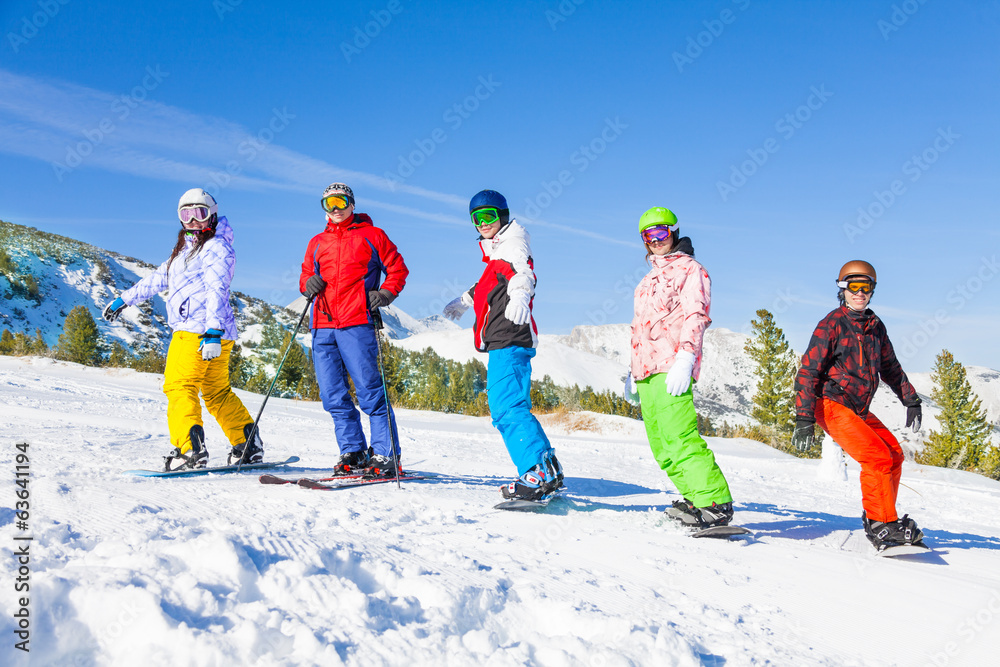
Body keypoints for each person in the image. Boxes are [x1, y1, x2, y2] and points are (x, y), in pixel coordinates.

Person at [102, 188, 264, 470]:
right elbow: (156, 279)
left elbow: (218, 290)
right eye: (185, 214)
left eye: (199, 213)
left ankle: (189, 450)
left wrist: (212, 331)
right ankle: (246, 445)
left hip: (198, 331)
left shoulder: (216, 248)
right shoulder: (186, 251)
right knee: (216, 392)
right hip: (213, 332)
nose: (192, 220)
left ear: (211, 215)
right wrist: (124, 299)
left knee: (179, 385)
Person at [792, 260, 924, 551]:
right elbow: (808, 371)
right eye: (854, 286)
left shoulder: (875, 326)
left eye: (867, 287)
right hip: (831, 403)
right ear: (843, 289)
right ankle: (882, 525)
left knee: (893, 454)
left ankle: (881, 514)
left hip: (857, 407)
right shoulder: (832, 324)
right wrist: (803, 417)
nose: (860, 293)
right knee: (877, 457)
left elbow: (889, 367)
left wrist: (910, 398)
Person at [442, 189, 563, 501]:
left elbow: (523, 272)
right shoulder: (497, 253)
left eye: (489, 216)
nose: (483, 223)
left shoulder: (513, 244)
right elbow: (489, 282)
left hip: (509, 337)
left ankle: (536, 471)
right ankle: (545, 468)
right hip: (504, 339)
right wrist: (466, 300)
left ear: (503, 216)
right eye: (477, 218)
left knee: (506, 407)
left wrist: (522, 293)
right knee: (511, 406)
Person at [628, 207, 734, 528]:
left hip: (671, 366)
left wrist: (686, 358)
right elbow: (639, 326)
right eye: (649, 236)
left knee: (680, 437)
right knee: (661, 446)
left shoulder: (691, 270)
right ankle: (696, 499)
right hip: (646, 371)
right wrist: (633, 370)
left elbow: (695, 315)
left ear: (673, 231)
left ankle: (714, 502)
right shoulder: (646, 280)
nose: (656, 240)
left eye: (661, 233)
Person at [299, 183, 408, 477]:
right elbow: (306, 273)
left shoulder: (373, 236)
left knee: (369, 391)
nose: (335, 208)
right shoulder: (317, 242)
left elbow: (397, 268)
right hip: (322, 326)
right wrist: (308, 283)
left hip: (357, 322)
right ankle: (354, 450)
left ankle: (386, 454)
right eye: (328, 203)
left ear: (352, 203)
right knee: (332, 395)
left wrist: (385, 294)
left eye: (340, 201)